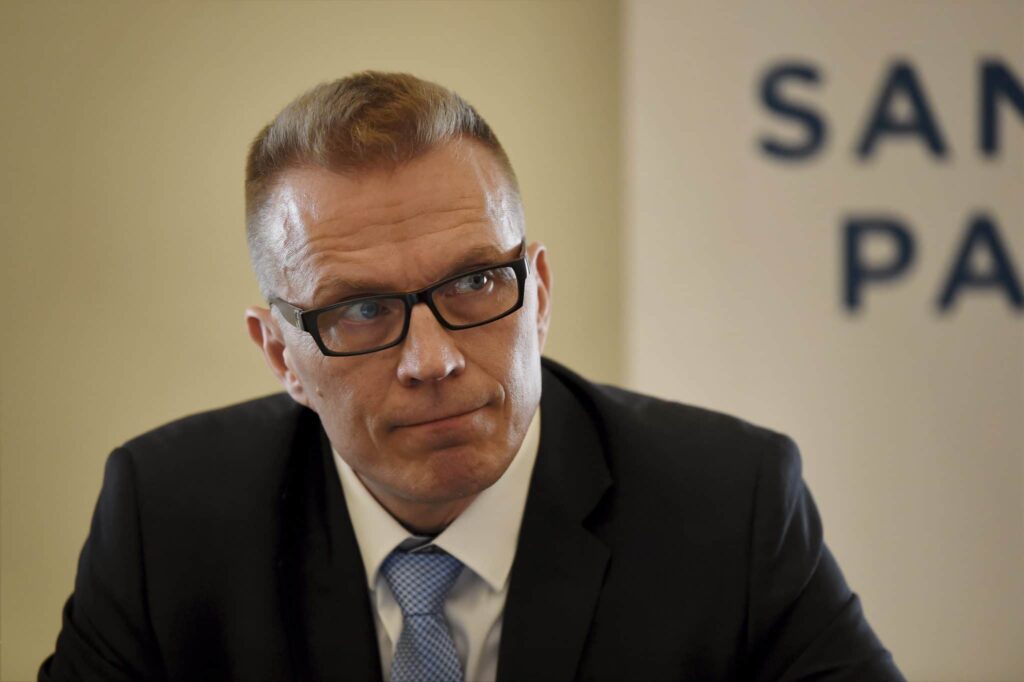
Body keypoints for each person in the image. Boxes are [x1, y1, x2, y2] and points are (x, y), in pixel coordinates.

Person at [40, 72, 903, 681]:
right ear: (281, 356)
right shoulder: (167, 520)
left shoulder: (731, 505)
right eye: (361, 310)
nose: (432, 360)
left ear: (540, 294)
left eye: (476, 283)